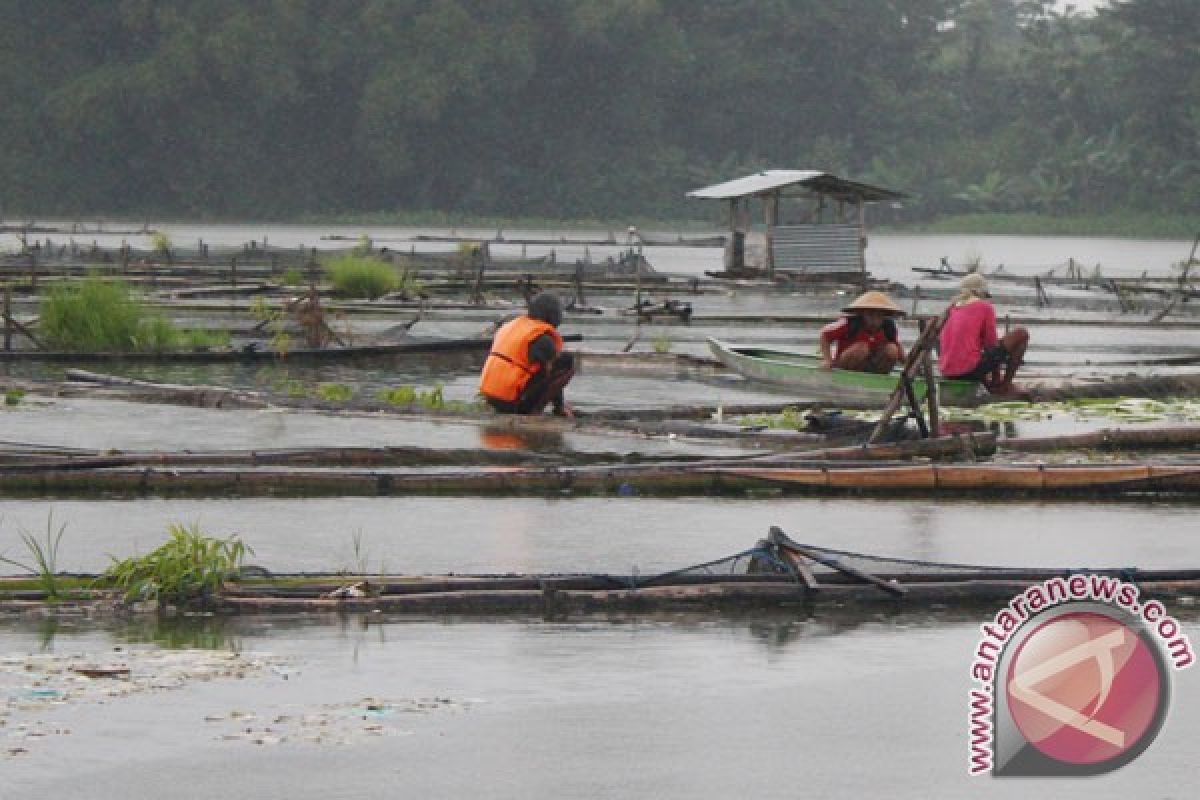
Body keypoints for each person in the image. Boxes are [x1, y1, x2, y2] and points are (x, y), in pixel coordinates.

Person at [479, 292, 575, 417]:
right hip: (511, 401)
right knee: (565, 362)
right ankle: (536, 411)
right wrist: (560, 406)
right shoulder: (542, 338)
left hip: (491, 397)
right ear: (552, 315)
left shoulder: (511, 326)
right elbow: (551, 371)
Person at [938, 273, 1029, 395]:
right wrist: (996, 379)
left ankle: (994, 383)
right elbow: (991, 344)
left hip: (947, 371)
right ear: (980, 293)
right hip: (968, 370)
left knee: (977, 355)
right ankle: (1005, 387)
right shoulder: (984, 307)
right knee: (1021, 333)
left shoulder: (951, 309)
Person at [818, 291, 906, 373]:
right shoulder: (849, 323)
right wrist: (827, 360)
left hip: (874, 365)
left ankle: (878, 377)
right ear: (863, 313)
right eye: (870, 314)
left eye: (879, 315)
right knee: (861, 348)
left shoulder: (888, 327)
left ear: (884, 316)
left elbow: (898, 348)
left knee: (892, 349)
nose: (874, 319)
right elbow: (825, 335)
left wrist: (910, 365)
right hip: (846, 364)